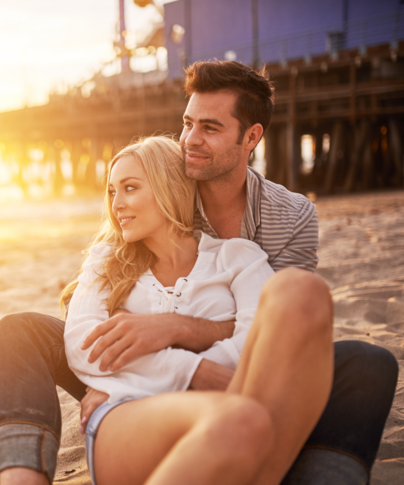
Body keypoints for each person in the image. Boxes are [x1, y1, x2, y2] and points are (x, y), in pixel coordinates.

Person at [0, 60, 398, 485]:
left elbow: (276, 332)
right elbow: (91, 318)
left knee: (369, 362)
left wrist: (172, 328)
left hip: (235, 376)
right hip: (138, 372)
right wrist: (130, 374)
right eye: (187, 124)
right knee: (24, 330)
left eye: (210, 128)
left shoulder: (286, 221)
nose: (190, 140)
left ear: (251, 136)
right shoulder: (153, 201)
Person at [63, 134, 331, 484]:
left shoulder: (237, 257)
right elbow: (84, 345)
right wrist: (192, 370)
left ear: (168, 187)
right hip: (129, 413)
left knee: (303, 290)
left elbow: (257, 343)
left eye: (130, 188)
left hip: (234, 404)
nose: (117, 205)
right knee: (241, 419)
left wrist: (152, 356)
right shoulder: (106, 262)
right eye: (112, 192)